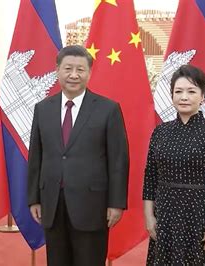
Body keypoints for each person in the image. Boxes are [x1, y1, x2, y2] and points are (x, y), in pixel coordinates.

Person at [27, 45, 129, 266]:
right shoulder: (42, 108)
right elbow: (36, 156)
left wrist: (116, 202)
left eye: (80, 69)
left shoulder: (108, 109)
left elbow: (118, 160)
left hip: (92, 203)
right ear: (57, 70)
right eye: (68, 68)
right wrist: (34, 197)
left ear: (89, 73)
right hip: (52, 201)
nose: (74, 75)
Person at [143, 64, 205, 265]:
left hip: (199, 214)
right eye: (178, 91)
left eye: (191, 91)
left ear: (203, 96)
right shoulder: (160, 132)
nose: (184, 97)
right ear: (172, 95)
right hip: (165, 214)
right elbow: (150, 178)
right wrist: (149, 217)